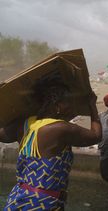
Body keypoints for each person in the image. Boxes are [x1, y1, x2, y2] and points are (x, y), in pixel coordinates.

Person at [0, 77, 101, 210]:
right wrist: (92, 107)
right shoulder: (62, 128)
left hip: (18, 198)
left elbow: (2, 136)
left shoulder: (23, 124)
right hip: (44, 203)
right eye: (68, 101)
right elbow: (96, 136)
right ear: (57, 106)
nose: (71, 104)